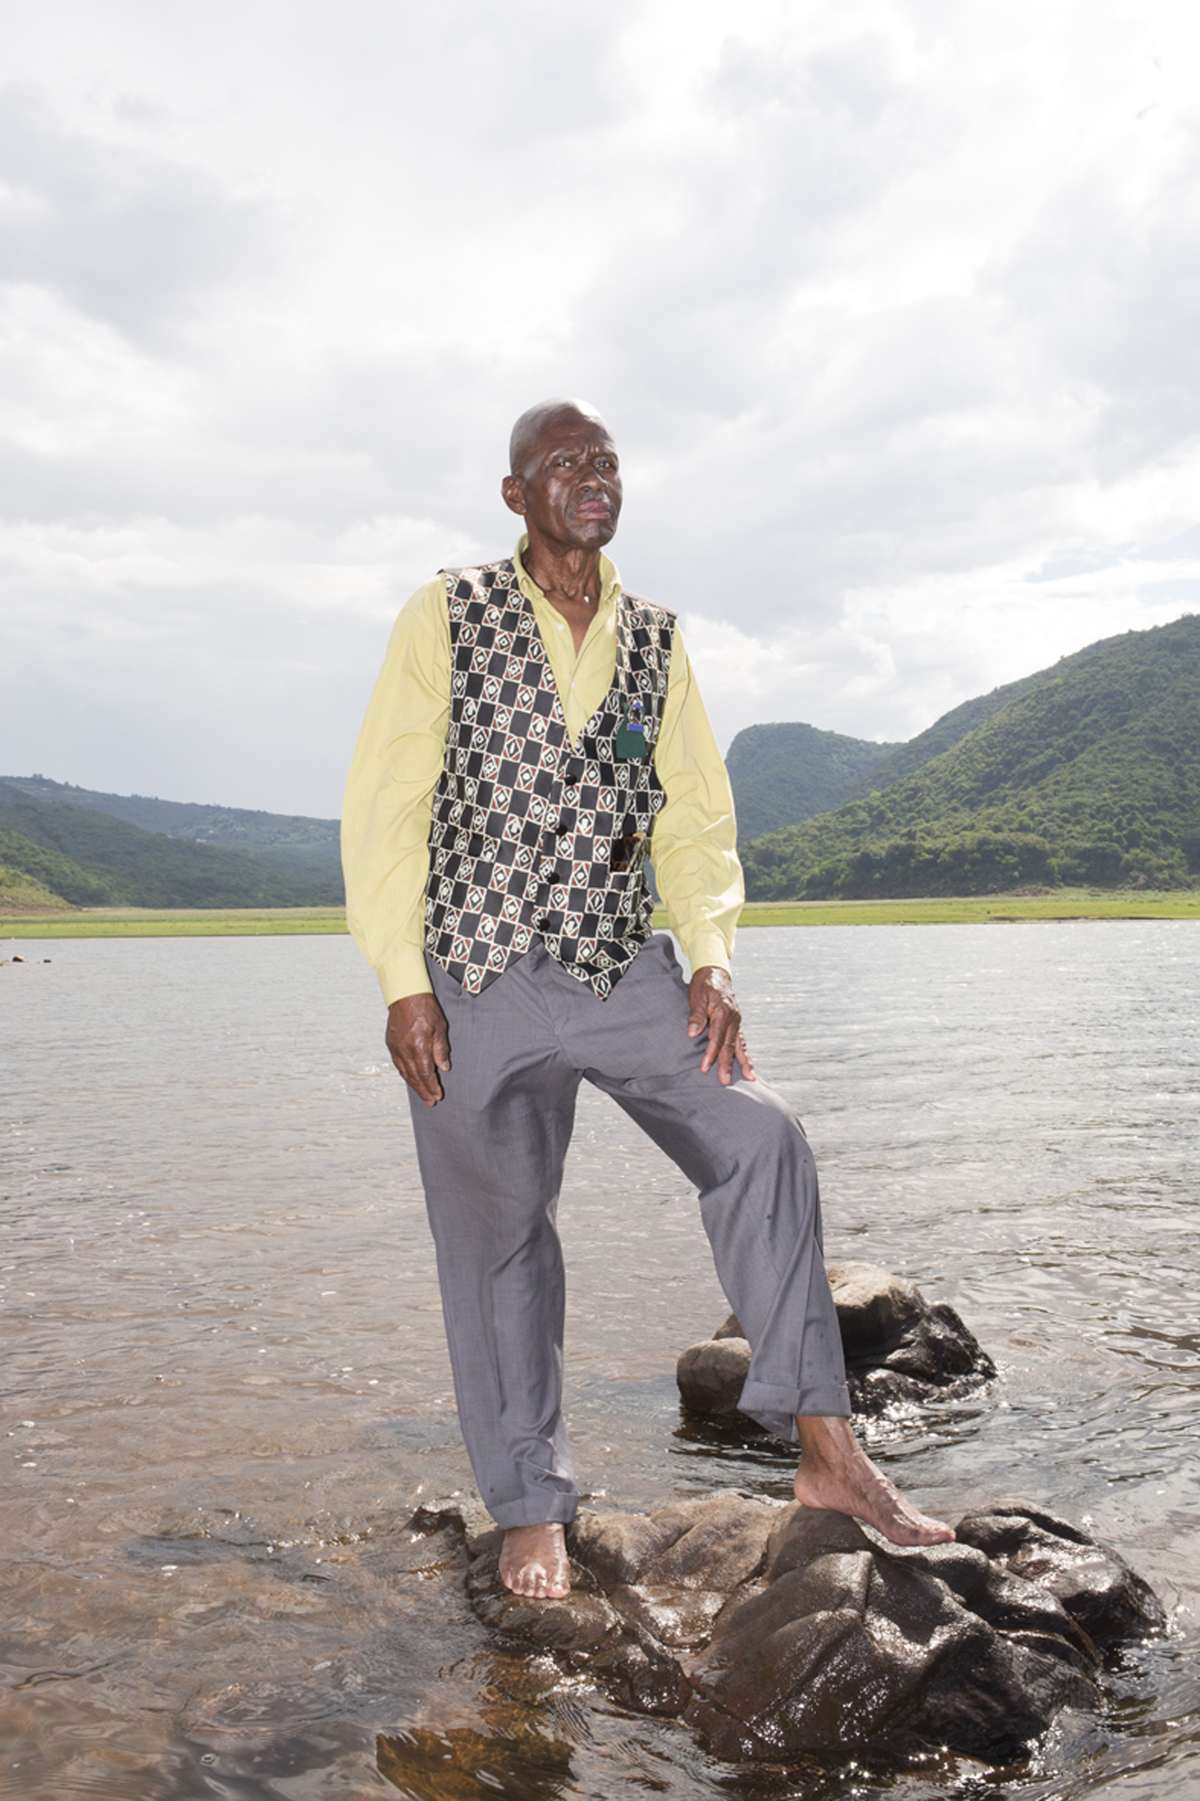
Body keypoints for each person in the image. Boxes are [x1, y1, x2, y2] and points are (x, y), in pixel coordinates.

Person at [342, 398, 953, 1600]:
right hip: (475, 976)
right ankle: (529, 1507)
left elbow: (697, 816)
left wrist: (712, 956)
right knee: (501, 1243)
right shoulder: (447, 613)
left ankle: (828, 1454)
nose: (593, 475)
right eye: (563, 460)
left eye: (607, 461)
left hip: (623, 968)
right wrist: (403, 981)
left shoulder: (658, 639)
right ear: (514, 492)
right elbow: (387, 803)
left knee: (761, 1135)